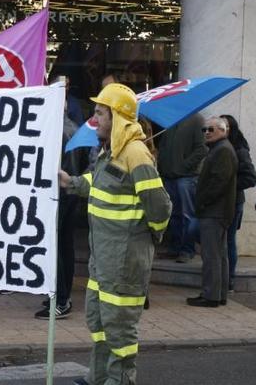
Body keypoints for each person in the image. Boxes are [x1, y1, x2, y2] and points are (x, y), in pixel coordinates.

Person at [59, 83, 171, 385]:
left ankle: (119, 381)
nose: (94, 119)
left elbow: (160, 208)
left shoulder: (135, 154)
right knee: (99, 322)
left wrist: (144, 239)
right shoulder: (112, 152)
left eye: (99, 113)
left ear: (118, 117)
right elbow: (100, 185)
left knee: (119, 330)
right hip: (104, 259)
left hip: (123, 262)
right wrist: (70, 181)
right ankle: (98, 378)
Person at [35, 100, 88, 320]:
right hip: (71, 193)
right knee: (65, 247)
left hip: (60, 195)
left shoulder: (57, 132)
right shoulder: (76, 129)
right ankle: (62, 296)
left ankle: (60, 299)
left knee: (56, 249)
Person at [187, 117, 237, 308]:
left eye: (211, 129)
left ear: (223, 131)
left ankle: (211, 295)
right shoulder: (219, 149)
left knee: (212, 255)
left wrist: (202, 203)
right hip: (216, 211)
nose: (206, 132)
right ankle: (218, 294)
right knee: (218, 254)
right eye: (204, 130)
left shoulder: (223, 150)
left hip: (215, 212)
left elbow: (218, 183)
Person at [157, 113, 207, 263]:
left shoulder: (197, 120)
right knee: (173, 215)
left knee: (187, 216)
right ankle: (175, 247)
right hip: (169, 176)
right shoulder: (171, 119)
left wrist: (184, 166)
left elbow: (202, 149)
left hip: (186, 177)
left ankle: (187, 250)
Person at [219, 114, 256, 291]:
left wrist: (228, 186)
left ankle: (229, 278)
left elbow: (250, 178)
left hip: (233, 202)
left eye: (224, 126)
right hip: (219, 202)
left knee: (229, 240)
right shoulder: (216, 147)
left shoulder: (239, 150)